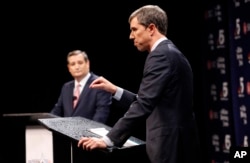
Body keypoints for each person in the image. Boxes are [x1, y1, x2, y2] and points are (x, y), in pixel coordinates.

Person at [77, 5, 200, 163]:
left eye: (134, 29)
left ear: (151, 28)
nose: (131, 36)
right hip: (178, 146)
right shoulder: (170, 52)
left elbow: (144, 104)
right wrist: (115, 90)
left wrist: (108, 140)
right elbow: (154, 102)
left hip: (170, 148)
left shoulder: (160, 56)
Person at [50, 50, 112, 124]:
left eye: (80, 63)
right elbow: (57, 111)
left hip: (90, 134)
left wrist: (90, 133)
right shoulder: (66, 87)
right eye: (73, 64)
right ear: (69, 68)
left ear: (87, 63)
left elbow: (101, 114)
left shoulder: (100, 84)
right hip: (67, 134)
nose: (77, 67)